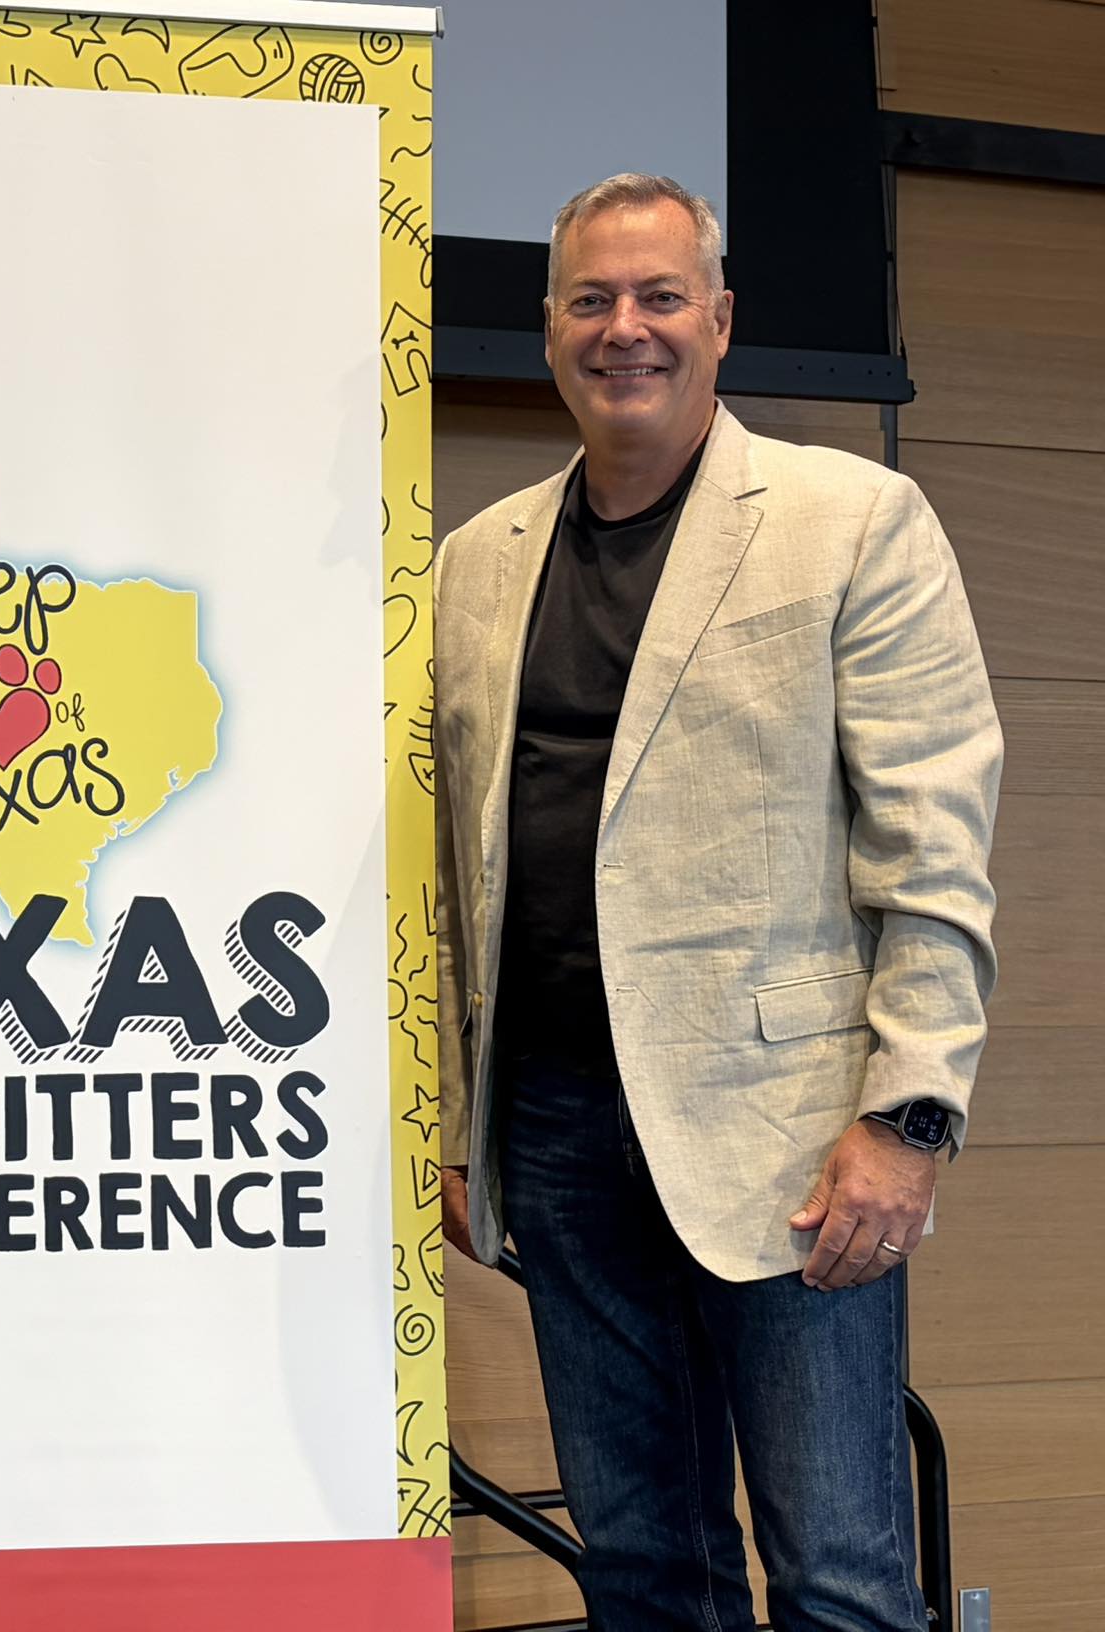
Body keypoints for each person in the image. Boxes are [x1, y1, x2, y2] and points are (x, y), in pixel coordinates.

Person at [433, 175, 1000, 1630]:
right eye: (591, 300)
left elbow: (933, 835)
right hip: (556, 1132)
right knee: (644, 1572)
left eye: (660, 296)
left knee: (839, 1582)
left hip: (796, 1140)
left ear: (723, 319)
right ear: (549, 328)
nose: (627, 330)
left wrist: (911, 1113)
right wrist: (460, 1121)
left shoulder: (853, 518)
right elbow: (456, 870)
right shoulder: (473, 566)